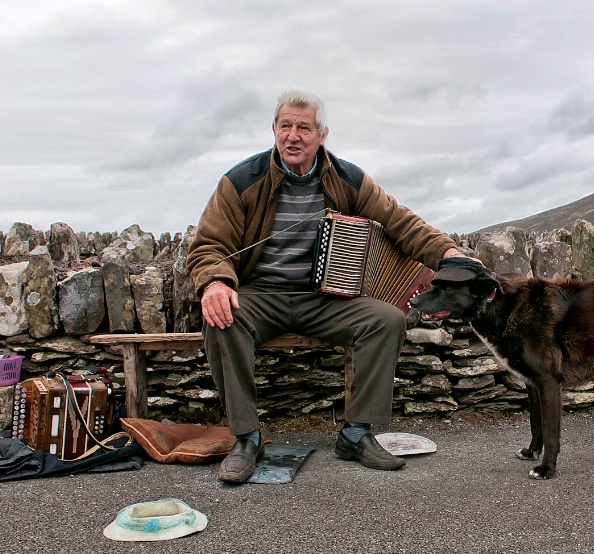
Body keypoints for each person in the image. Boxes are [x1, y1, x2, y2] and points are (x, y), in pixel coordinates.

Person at [187, 90, 469, 483]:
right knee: (221, 316)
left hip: (323, 298)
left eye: (304, 127)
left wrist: (449, 253)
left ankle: (356, 434)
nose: (293, 135)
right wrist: (215, 280)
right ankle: (247, 438)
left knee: (386, 320)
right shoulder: (240, 181)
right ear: (273, 130)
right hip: (259, 296)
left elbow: (401, 221)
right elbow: (209, 244)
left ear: (322, 135)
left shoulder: (347, 178)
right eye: (285, 125)